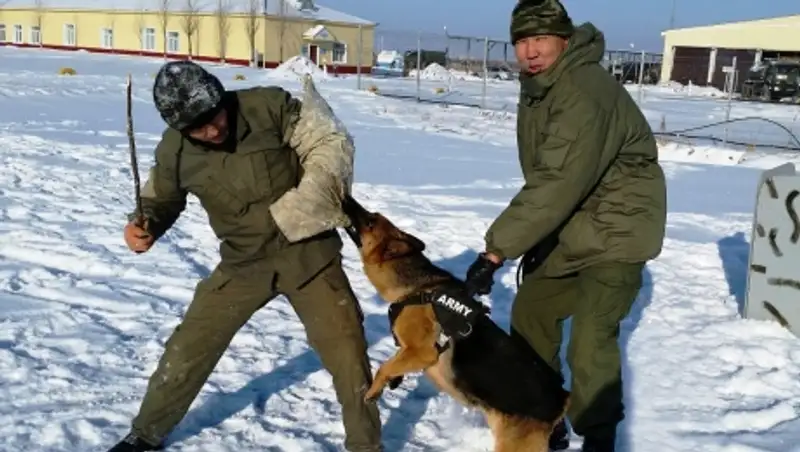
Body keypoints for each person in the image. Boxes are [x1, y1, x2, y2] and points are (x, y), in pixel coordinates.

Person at [108, 60, 382, 452]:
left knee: (349, 355)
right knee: (188, 349)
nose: (214, 128)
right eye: (199, 126)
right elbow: (160, 200)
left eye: (215, 114)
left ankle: (365, 445)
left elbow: (325, 141)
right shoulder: (175, 151)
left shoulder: (268, 106)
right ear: (181, 129)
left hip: (309, 257)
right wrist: (144, 224)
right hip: (243, 263)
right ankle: (145, 434)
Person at [463, 1, 667, 451]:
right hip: (572, 225)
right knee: (531, 314)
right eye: (522, 41)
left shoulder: (583, 90)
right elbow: (551, 179)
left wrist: (496, 250)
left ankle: (597, 438)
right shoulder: (543, 86)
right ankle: (543, 418)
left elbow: (558, 180)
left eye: (540, 39)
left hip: (618, 230)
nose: (531, 51)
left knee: (591, 341)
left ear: (565, 39)